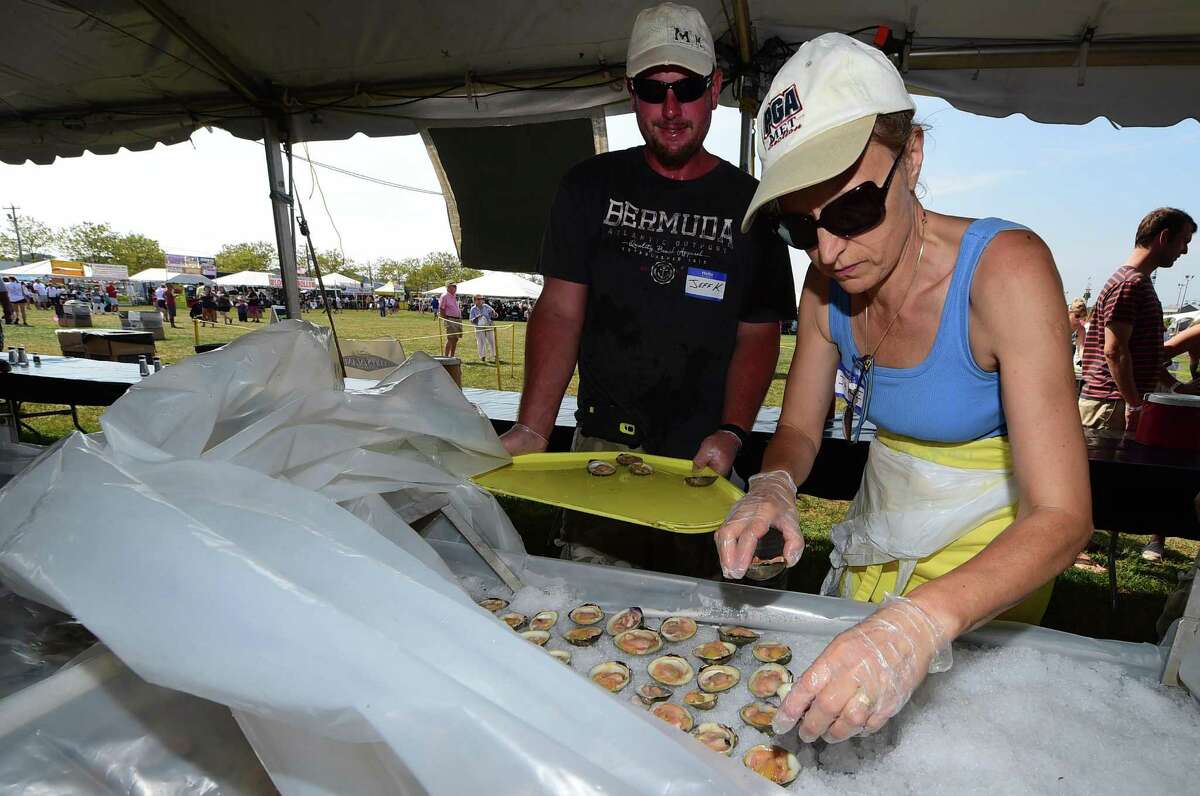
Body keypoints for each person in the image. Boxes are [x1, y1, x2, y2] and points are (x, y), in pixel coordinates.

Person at [712, 34, 1092, 744]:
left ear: (912, 157)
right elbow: (800, 429)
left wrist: (919, 623)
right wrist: (775, 486)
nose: (828, 251)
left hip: (985, 572)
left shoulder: (1005, 273)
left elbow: (1063, 516)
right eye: (802, 226)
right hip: (880, 537)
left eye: (852, 211)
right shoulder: (827, 288)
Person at [500, 3, 795, 577]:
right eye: (651, 89)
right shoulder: (589, 185)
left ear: (714, 89)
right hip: (602, 447)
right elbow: (560, 311)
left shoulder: (752, 204)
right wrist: (534, 427)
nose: (670, 109)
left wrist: (733, 432)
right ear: (628, 91)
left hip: (704, 457)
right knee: (593, 611)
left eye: (685, 88)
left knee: (703, 617)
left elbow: (759, 334)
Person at [1077, 208, 1194, 562]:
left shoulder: (1134, 282)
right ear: (1163, 237)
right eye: (1184, 241)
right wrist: (1134, 403)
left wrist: (1170, 386)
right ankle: (1072, 551)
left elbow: (1141, 349)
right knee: (1087, 486)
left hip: (1115, 399)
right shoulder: (1131, 283)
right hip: (1109, 402)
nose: (1184, 251)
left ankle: (1081, 543)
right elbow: (1115, 350)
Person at [469, 294, 499, 362]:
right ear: (474, 300)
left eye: (482, 299)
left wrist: (494, 314)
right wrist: (476, 318)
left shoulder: (486, 306)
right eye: (478, 299)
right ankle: (482, 356)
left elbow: (495, 315)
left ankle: (495, 356)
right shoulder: (473, 309)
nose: (481, 300)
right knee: (481, 342)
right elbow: (471, 320)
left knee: (492, 341)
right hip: (479, 327)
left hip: (488, 325)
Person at [440, 282, 464, 357]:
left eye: (455, 286)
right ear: (448, 287)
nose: (455, 288)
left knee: (456, 339)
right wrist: (446, 318)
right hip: (450, 319)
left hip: (457, 320)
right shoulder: (445, 296)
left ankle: (452, 356)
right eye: (453, 286)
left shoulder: (454, 296)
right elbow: (441, 308)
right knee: (450, 338)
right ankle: (446, 356)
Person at [1068, 297, 1089, 370]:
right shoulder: (1061, 324)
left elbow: (1081, 348)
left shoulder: (1081, 329)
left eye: (1082, 317)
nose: (1079, 319)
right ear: (1069, 312)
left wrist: (1086, 361)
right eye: (1077, 316)